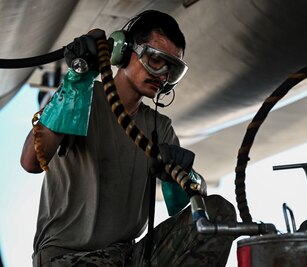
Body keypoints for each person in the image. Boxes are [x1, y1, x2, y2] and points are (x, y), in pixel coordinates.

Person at [20, 10, 236, 267]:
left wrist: (185, 175)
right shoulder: (80, 98)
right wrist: (79, 78)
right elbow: (31, 161)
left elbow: (182, 205)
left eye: (173, 69)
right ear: (123, 52)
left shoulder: (159, 126)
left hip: (128, 258)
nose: (163, 75)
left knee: (218, 214)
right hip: (67, 258)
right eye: (156, 60)